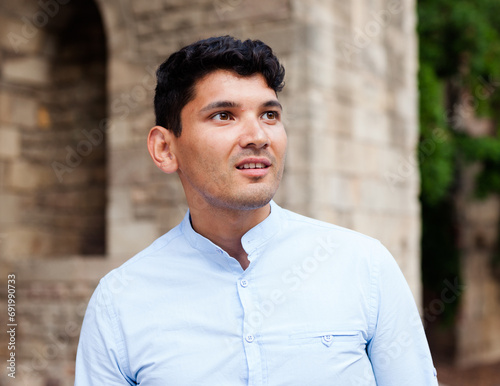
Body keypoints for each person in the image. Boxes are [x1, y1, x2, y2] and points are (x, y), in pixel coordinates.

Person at [75, 35, 438, 385]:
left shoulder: (365, 268)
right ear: (165, 149)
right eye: (223, 116)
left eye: (269, 115)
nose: (258, 136)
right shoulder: (120, 302)